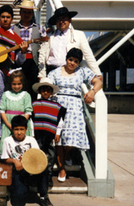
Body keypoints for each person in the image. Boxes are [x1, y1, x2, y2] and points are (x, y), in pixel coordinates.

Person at [48, 48, 103, 182]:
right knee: (59, 138)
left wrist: (92, 92)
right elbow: (47, 86)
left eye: (76, 61)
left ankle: (66, 154)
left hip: (75, 107)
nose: (72, 63)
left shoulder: (82, 71)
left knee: (72, 136)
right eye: (70, 60)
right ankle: (62, 168)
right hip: (59, 105)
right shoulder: (55, 72)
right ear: (66, 59)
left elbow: (98, 81)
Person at [38, 7, 102, 80]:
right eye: (58, 19)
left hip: (70, 73)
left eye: (64, 18)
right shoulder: (49, 36)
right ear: (56, 22)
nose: (61, 21)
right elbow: (42, 56)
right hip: (50, 73)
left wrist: (97, 73)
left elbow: (88, 55)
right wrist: (41, 75)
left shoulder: (79, 35)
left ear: (70, 20)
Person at [1, 115, 52, 206]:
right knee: (19, 198)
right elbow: (5, 158)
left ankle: (43, 196)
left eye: (22, 129)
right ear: (12, 129)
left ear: (26, 129)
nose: (19, 132)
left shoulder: (31, 140)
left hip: (32, 171)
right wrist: (14, 161)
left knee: (44, 169)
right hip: (18, 172)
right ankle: (17, 190)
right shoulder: (7, 140)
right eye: (16, 129)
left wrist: (27, 161)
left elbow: (38, 156)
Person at [31, 78, 66, 184]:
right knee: (38, 154)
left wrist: (58, 133)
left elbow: (60, 121)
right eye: (43, 90)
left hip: (50, 135)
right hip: (38, 135)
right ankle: (36, 175)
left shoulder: (57, 106)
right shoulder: (35, 104)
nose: (45, 92)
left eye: (48, 90)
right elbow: (31, 121)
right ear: (39, 91)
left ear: (51, 92)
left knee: (50, 156)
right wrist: (32, 134)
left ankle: (48, 176)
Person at [11, 0, 47, 100]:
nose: (26, 14)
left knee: (33, 90)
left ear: (32, 13)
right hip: (18, 62)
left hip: (33, 62)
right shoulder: (13, 28)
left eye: (29, 12)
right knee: (18, 88)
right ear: (20, 13)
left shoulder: (39, 28)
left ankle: (31, 113)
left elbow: (45, 44)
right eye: (24, 12)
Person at [0, 70, 32, 155]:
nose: (16, 86)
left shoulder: (26, 95)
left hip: (21, 123)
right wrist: (10, 125)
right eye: (14, 84)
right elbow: (2, 110)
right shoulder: (6, 94)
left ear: (23, 83)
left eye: (19, 84)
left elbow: (28, 111)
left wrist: (20, 125)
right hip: (8, 123)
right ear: (10, 84)